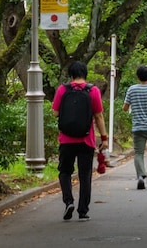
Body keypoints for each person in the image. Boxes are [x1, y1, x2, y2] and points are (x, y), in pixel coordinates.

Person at [52, 61, 108, 221]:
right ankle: (83, 210)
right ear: (85, 74)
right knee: (85, 175)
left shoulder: (63, 90)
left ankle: (68, 201)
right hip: (86, 140)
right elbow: (98, 116)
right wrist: (103, 138)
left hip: (66, 139)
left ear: (70, 75)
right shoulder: (93, 90)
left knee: (64, 171)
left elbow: (55, 113)